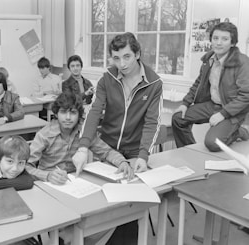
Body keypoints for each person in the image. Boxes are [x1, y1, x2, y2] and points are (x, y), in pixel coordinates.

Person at [71, 32, 163, 245]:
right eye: (116, 58)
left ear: (137, 54)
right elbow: (94, 112)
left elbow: (152, 122)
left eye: (127, 57)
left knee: (129, 206)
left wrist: (143, 155)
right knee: (106, 202)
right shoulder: (107, 79)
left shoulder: (154, 83)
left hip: (134, 150)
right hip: (108, 147)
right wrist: (83, 147)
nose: (121, 64)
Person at [172, 22, 249, 151]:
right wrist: (185, 103)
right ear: (211, 39)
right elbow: (198, 83)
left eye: (224, 39)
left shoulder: (242, 62)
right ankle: (189, 150)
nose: (218, 43)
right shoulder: (209, 59)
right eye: (215, 38)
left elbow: (246, 95)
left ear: (232, 43)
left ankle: (238, 132)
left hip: (231, 111)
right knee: (178, 119)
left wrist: (223, 114)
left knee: (212, 144)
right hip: (212, 105)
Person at [26, 92, 133, 184]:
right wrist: (47, 175)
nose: (68, 118)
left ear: (79, 115)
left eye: (73, 113)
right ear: (56, 114)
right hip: (49, 183)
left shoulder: (84, 133)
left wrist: (122, 162)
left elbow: (107, 152)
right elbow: (25, 166)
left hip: (76, 181)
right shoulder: (44, 135)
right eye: (63, 112)